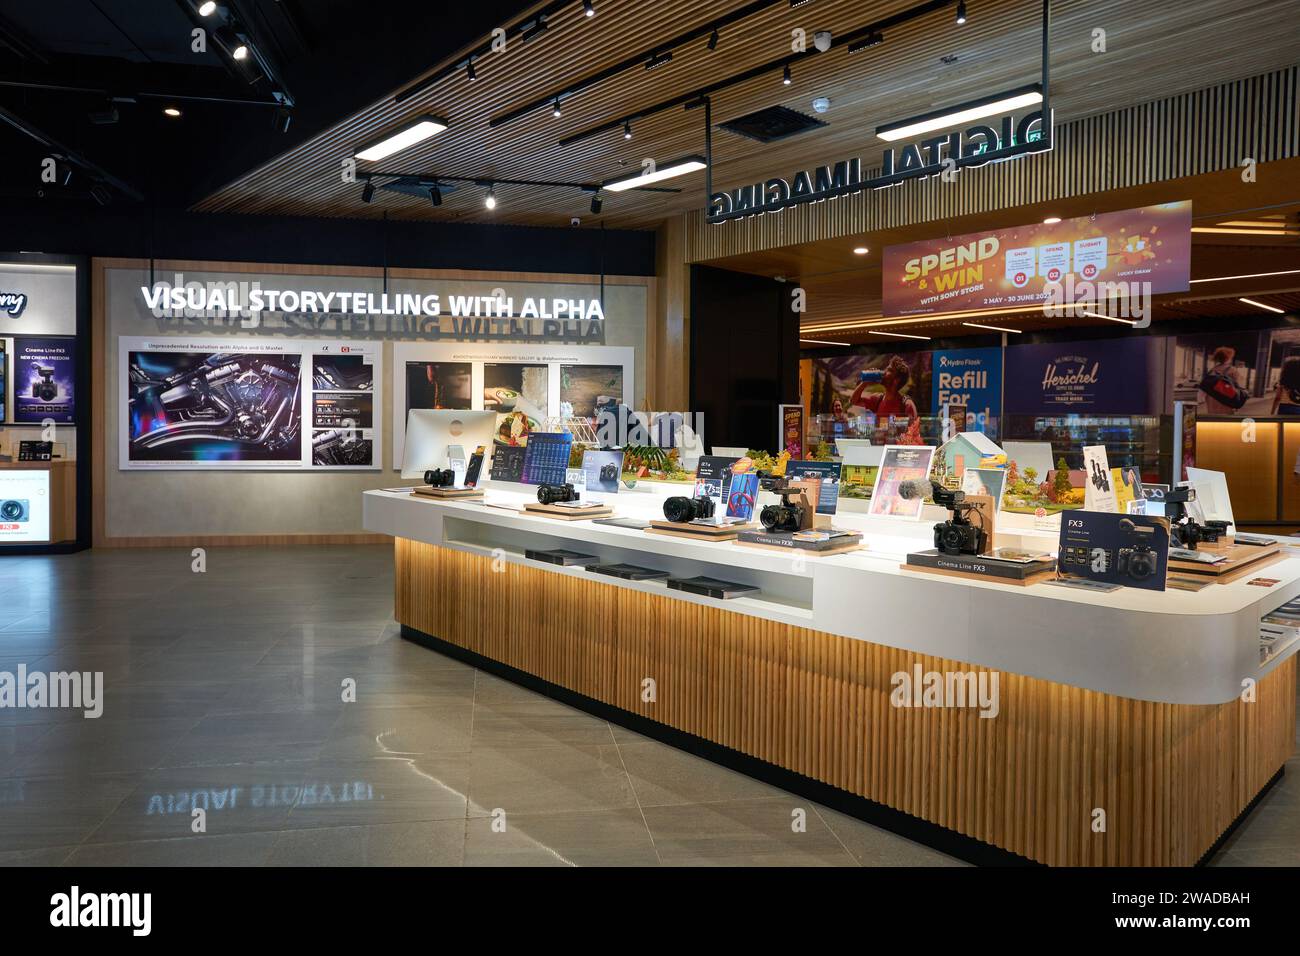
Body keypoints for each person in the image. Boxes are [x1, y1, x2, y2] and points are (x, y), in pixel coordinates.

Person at [850, 356, 918, 420]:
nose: (884, 372)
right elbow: (854, 401)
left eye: (889, 370)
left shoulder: (907, 405)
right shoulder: (878, 399)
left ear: (896, 380)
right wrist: (865, 383)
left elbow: (912, 431)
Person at [1202, 347, 1244, 415]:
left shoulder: (1212, 370)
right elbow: (1239, 386)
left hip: (1212, 400)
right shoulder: (1232, 370)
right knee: (1225, 421)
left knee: (1214, 420)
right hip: (1226, 400)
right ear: (1228, 358)